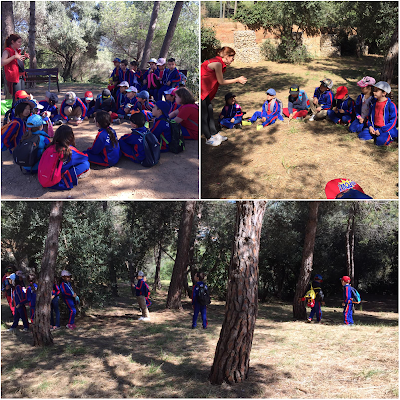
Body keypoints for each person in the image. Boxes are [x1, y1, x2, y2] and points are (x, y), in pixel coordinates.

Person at [201, 46, 247, 146]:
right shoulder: (217, 64)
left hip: (206, 93)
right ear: (226, 56)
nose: (233, 60)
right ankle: (208, 138)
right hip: (202, 92)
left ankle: (214, 134)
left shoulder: (219, 63)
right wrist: (237, 80)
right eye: (232, 58)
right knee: (204, 116)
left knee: (210, 113)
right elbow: (221, 81)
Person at [45, 125, 90, 190]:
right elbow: (84, 157)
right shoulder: (69, 150)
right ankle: (67, 178)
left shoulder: (50, 147)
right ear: (70, 137)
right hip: (56, 179)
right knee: (85, 164)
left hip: (45, 177)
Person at [358, 81, 398, 146]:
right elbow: (369, 117)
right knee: (361, 136)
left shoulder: (391, 105)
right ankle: (376, 135)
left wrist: (381, 130)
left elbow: (393, 121)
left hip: (385, 129)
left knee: (379, 142)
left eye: (376, 91)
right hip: (375, 127)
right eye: (374, 90)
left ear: (384, 93)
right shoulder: (373, 103)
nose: (374, 92)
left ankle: (391, 136)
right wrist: (370, 126)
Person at [1, 34, 29, 101]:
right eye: (19, 42)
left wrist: (24, 57)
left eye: (21, 42)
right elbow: (2, 62)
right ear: (13, 42)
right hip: (14, 78)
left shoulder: (17, 51)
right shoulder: (7, 50)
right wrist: (14, 57)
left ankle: (21, 108)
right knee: (17, 98)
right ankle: (15, 108)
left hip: (21, 76)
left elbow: (17, 63)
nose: (20, 44)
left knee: (22, 97)